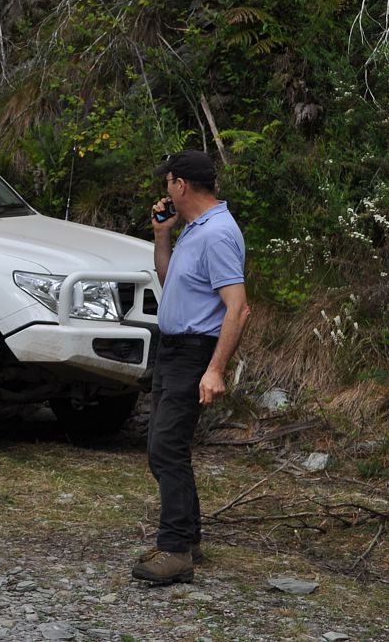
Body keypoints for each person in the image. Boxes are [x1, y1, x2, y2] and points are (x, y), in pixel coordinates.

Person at [133, 150, 249, 585]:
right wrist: (163, 236)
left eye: (168, 182)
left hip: (194, 352)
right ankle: (189, 538)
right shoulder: (195, 230)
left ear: (180, 185)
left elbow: (237, 309)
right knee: (164, 449)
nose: (165, 189)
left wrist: (215, 369)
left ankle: (176, 550)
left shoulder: (217, 234)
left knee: (166, 448)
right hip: (171, 349)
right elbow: (171, 282)